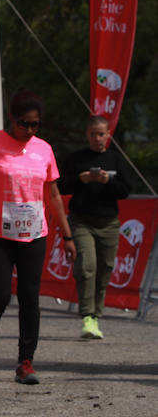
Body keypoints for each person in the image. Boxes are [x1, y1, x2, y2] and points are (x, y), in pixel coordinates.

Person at [0, 90, 77, 385]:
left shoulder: (44, 149)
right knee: (0, 295)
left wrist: (67, 235)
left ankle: (25, 362)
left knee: (30, 297)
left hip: (33, 234)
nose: (29, 130)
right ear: (11, 119)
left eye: (35, 125)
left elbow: (52, 194)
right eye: (24, 124)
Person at [58, 115, 132, 339]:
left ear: (108, 135)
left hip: (108, 222)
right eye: (93, 134)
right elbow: (59, 186)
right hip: (81, 221)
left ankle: (96, 316)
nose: (97, 138)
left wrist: (107, 181)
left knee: (105, 268)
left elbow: (126, 189)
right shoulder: (75, 159)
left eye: (101, 134)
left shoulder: (116, 160)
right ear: (86, 135)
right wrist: (81, 179)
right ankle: (87, 316)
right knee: (86, 266)